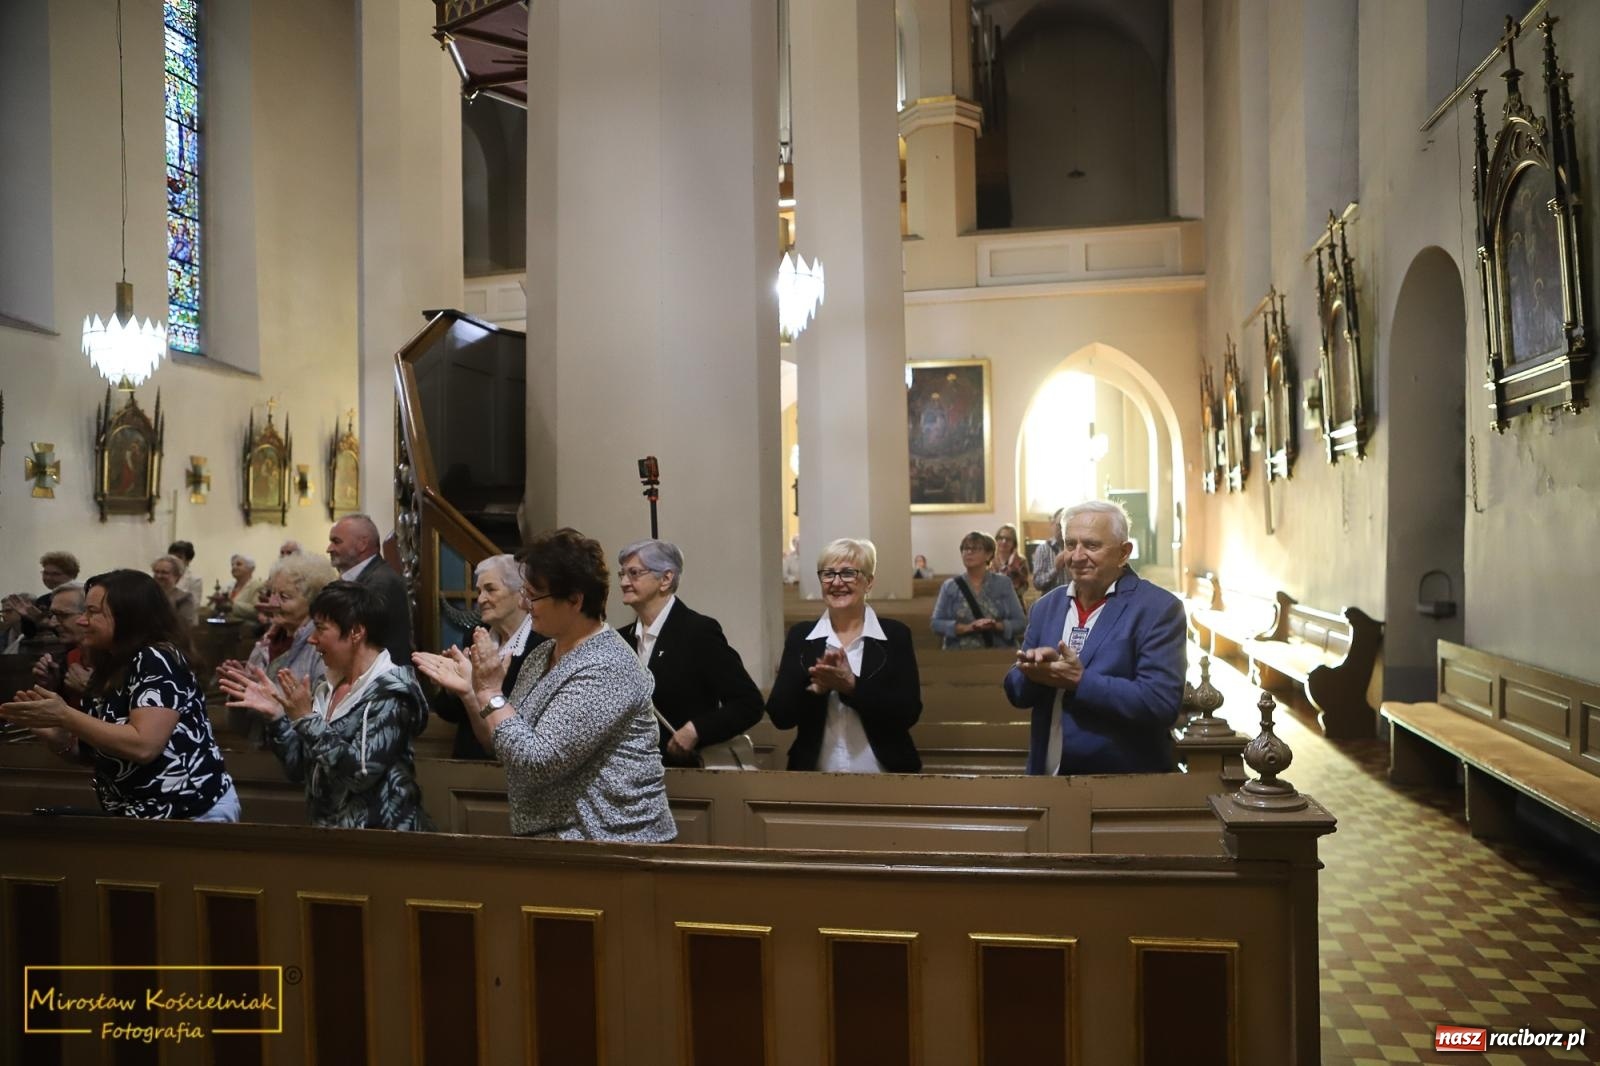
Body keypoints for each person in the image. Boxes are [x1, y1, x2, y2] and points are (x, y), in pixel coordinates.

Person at [413, 528, 676, 841]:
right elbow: (504, 743)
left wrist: (490, 691)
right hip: (560, 843)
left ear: (575, 600)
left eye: (534, 596)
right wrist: (472, 693)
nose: (525, 605)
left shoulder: (607, 665)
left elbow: (537, 762)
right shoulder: (542, 654)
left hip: (613, 846)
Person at [0, 570, 238, 821]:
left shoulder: (156, 658)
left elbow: (144, 745)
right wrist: (57, 737)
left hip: (188, 813)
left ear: (128, 617)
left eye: (92, 612)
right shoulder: (112, 664)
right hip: (139, 813)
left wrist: (65, 715)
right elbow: (97, 753)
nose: (83, 621)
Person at [221, 582, 432, 831]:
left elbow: (361, 774)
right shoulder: (327, 685)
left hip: (382, 845)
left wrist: (306, 719)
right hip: (329, 837)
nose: (311, 639)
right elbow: (299, 769)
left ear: (356, 632)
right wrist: (278, 717)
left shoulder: (392, 691)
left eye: (320, 629)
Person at [1004, 500, 1185, 776]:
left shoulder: (1157, 609)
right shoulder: (1046, 607)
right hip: (1046, 776)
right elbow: (1016, 692)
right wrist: (1032, 671)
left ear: (1124, 553)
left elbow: (1160, 704)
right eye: (1070, 544)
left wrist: (1080, 680)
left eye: (1091, 545)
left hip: (1121, 781)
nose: (1076, 556)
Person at [766, 538, 922, 773]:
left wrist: (852, 687)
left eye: (849, 573)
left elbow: (908, 712)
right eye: (828, 574)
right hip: (815, 773)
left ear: (869, 582)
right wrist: (815, 689)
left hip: (884, 772)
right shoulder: (802, 636)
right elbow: (780, 715)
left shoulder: (895, 635)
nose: (837, 582)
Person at [614, 539, 763, 766]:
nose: (624, 582)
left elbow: (748, 704)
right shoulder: (620, 640)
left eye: (634, 573)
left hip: (685, 775)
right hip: (629, 775)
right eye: (622, 574)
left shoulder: (698, 632)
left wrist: (696, 730)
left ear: (665, 579)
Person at [427, 553, 544, 760]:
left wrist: (476, 687)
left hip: (514, 762)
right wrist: (450, 689)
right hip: (469, 761)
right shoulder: (473, 637)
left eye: (490, 589)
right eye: (479, 591)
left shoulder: (540, 642)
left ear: (520, 593)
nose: (480, 599)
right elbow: (450, 714)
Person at [218, 553, 337, 746]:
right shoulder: (267, 642)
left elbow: (320, 720)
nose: (272, 603)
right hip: (261, 754)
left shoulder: (320, 648)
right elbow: (241, 728)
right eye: (272, 593)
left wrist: (270, 700)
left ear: (313, 603)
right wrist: (240, 691)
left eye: (284, 596)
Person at [327, 514, 412, 664]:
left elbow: (354, 638)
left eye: (336, 542)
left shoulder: (380, 584)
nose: (329, 549)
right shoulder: (366, 579)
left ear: (362, 544)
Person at [930, 531, 1026, 651]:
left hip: (997, 652)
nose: (969, 552)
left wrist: (995, 625)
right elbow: (936, 624)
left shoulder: (1003, 584)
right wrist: (967, 628)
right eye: (965, 548)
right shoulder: (950, 586)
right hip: (958, 653)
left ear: (988, 554)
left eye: (975, 549)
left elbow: (1020, 622)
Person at [30, 583, 90, 708]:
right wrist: (51, 684)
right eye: (53, 615)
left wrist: (93, 691)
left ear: (89, 614)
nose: (52, 624)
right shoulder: (70, 657)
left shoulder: (122, 660)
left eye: (63, 615)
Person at [3, 551, 80, 640]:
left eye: (55, 574)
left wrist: (44, 621)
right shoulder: (42, 600)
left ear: (71, 575)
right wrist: (27, 617)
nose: (48, 578)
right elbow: (29, 633)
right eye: (45, 573)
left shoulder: (81, 597)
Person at [151, 554, 199, 628]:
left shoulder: (185, 598)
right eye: (156, 572)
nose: (159, 576)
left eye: (164, 572)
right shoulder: (146, 594)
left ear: (177, 576)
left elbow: (184, 626)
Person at [991, 524, 1033, 605]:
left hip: (1014, 603)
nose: (1004, 541)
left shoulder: (1021, 561)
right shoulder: (989, 560)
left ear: (1014, 543)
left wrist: (1011, 567)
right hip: (993, 604)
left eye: (1008, 539)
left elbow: (1024, 586)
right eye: (1001, 538)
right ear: (996, 540)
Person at [1031, 508, 1069, 594]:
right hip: (1052, 603)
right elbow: (1037, 583)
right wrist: (1055, 569)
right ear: (1053, 524)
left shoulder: (1077, 549)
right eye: (1060, 525)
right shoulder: (1043, 549)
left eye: (1066, 526)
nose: (1063, 530)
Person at [225, 554, 265, 623]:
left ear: (251, 568)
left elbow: (256, 610)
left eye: (238, 564)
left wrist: (232, 605)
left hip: (245, 627)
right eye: (232, 565)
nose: (234, 567)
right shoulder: (228, 586)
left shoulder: (257, 586)